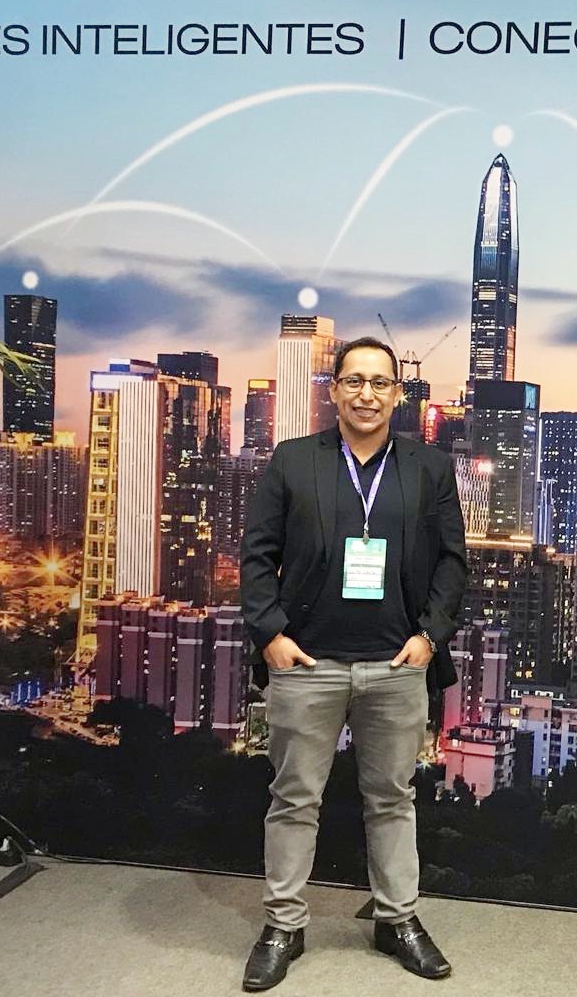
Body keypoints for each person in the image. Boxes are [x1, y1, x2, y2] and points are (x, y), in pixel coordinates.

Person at [239, 336, 467, 991]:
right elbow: (256, 554)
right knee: (293, 798)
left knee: (392, 799)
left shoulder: (428, 467)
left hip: (396, 664)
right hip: (307, 662)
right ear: (334, 389)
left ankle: (398, 920)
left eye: (380, 383)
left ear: (398, 394)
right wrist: (271, 635)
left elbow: (452, 562)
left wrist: (430, 637)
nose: (367, 394)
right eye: (354, 381)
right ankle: (283, 925)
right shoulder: (293, 461)